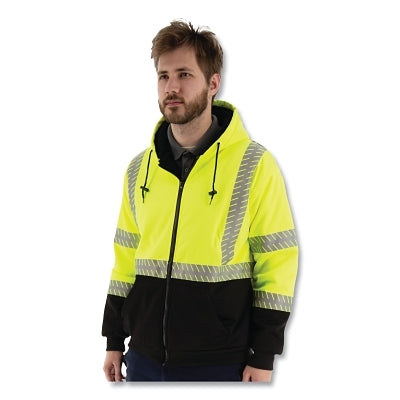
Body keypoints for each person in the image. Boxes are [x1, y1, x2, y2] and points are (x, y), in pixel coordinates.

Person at [102, 19, 298, 382]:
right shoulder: (139, 169)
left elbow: (277, 263)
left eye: (184, 75)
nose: (171, 87)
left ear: (213, 83)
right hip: (142, 358)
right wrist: (114, 339)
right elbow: (125, 259)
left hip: (220, 362)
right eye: (163, 76)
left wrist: (264, 354)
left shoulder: (254, 165)